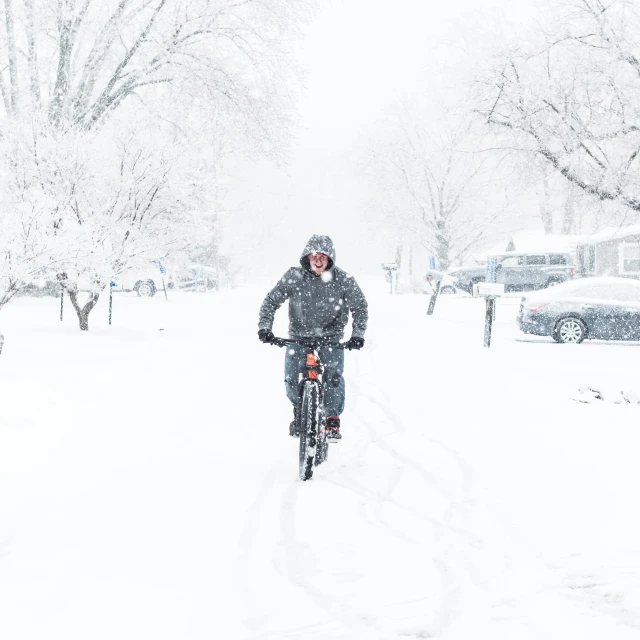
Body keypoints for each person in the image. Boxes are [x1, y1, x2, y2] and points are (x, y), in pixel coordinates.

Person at [258, 235, 368, 442]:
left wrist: (357, 335)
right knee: (291, 377)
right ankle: (299, 409)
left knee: (333, 376)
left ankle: (332, 420)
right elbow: (271, 301)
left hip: (331, 336)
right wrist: (265, 327)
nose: (318, 260)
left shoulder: (343, 280)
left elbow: (360, 307)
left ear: (330, 259)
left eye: (323, 256)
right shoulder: (294, 277)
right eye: (314, 255)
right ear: (307, 257)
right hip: (299, 336)